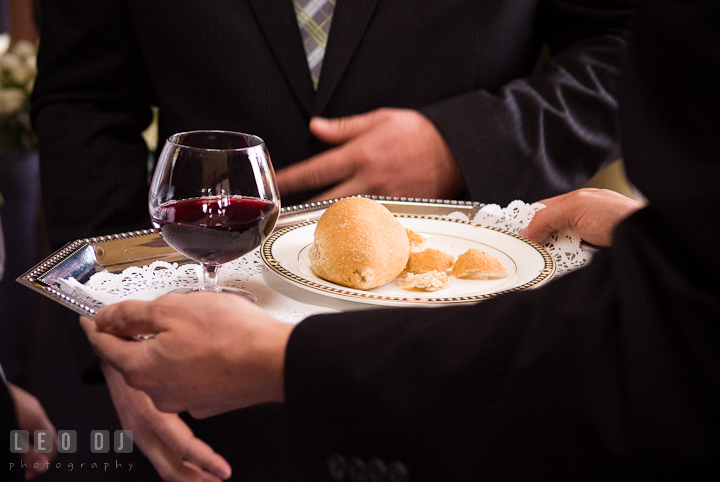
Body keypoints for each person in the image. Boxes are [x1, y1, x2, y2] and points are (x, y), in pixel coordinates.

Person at [80, 0, 720, 479]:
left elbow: (618, 40)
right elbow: (85, 99)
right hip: (194, 392)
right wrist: (111, 317)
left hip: (472, 391)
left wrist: (465, 145)